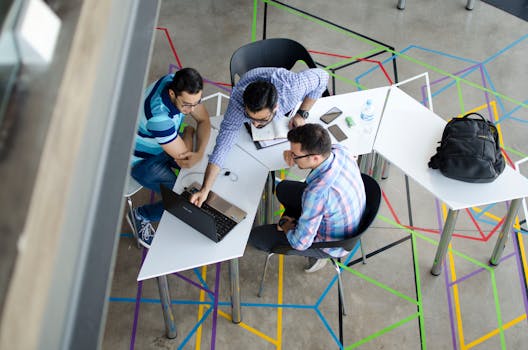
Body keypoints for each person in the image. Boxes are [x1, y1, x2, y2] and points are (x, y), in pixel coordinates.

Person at [189, 67, 329, 207]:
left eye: (262, 120)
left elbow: (323, 76)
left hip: (281, 82)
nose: (255, 125)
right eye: (250, 118)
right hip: (254, 82)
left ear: (275, 108)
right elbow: (223, 145)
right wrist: (205, 189)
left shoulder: (292, 89)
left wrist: (302, 112)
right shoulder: (238, 102)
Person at [248, 124, 366, 273]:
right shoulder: (340, 151)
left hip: (331, 243)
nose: (292, 157)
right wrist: (293, 154)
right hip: (347, 217)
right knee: (283, 188)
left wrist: (285, 225)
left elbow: (300, 243)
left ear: (315, 157)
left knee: (256, 237)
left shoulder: (317, 194)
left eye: (295, 155)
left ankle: (318, 257)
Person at [127, 67, 211, 248]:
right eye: (187, 105)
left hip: (163, 145)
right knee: (181, 197)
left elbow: (204, 120)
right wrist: (188, 133)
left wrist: (200, 152)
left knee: (198, 173)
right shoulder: (159, 117)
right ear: (172, 94)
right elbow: (185, 160)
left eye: (197, 103)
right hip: (142, 161)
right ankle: (141, 215)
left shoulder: (178, 82)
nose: (192, 109)